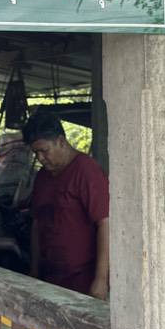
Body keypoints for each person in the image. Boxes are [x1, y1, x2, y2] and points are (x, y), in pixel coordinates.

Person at [22, 110, 109, 299]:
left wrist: (101, 279)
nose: (40, 158)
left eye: (44, 151)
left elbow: (105, 224)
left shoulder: (86, 171)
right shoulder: (42, 177)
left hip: (82, 280)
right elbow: (37, 224)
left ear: (61, 141)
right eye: (36, 153)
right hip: (50, 279)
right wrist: (35, 270)